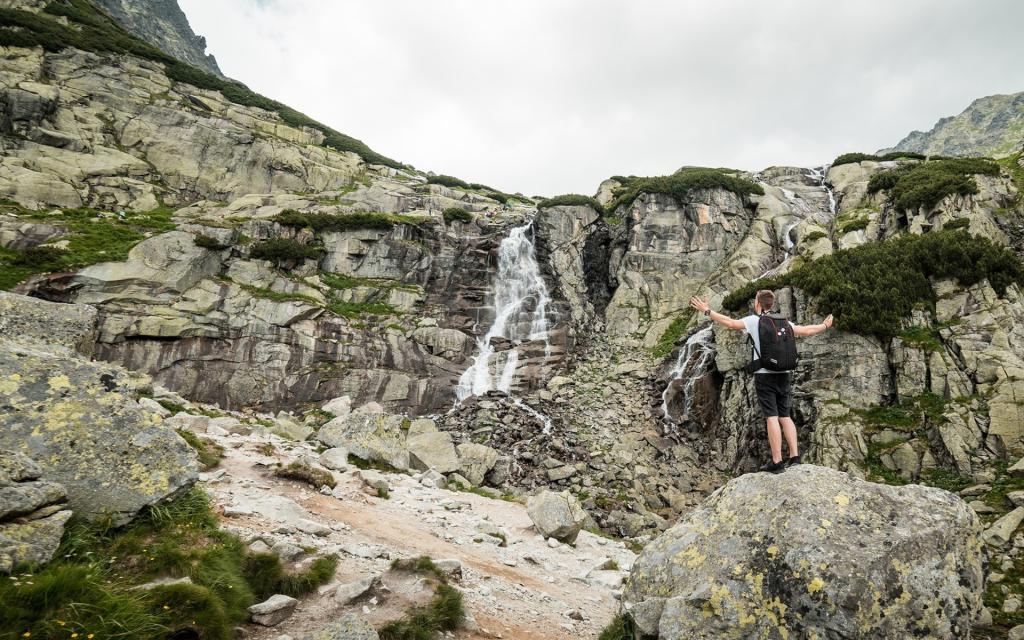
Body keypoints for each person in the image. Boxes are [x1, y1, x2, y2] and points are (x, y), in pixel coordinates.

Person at [689, 289, 833, 473]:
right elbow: (806, 331)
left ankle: (777, 461)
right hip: (784, 373)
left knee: (771, 416)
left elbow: (730, 323)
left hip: (765, 374)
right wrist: (824, 326)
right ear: (771, 304)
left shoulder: (754, 321)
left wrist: (707, 311)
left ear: (757, 303)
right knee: (785, 416)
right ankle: (795, 457)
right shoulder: (784, 322)